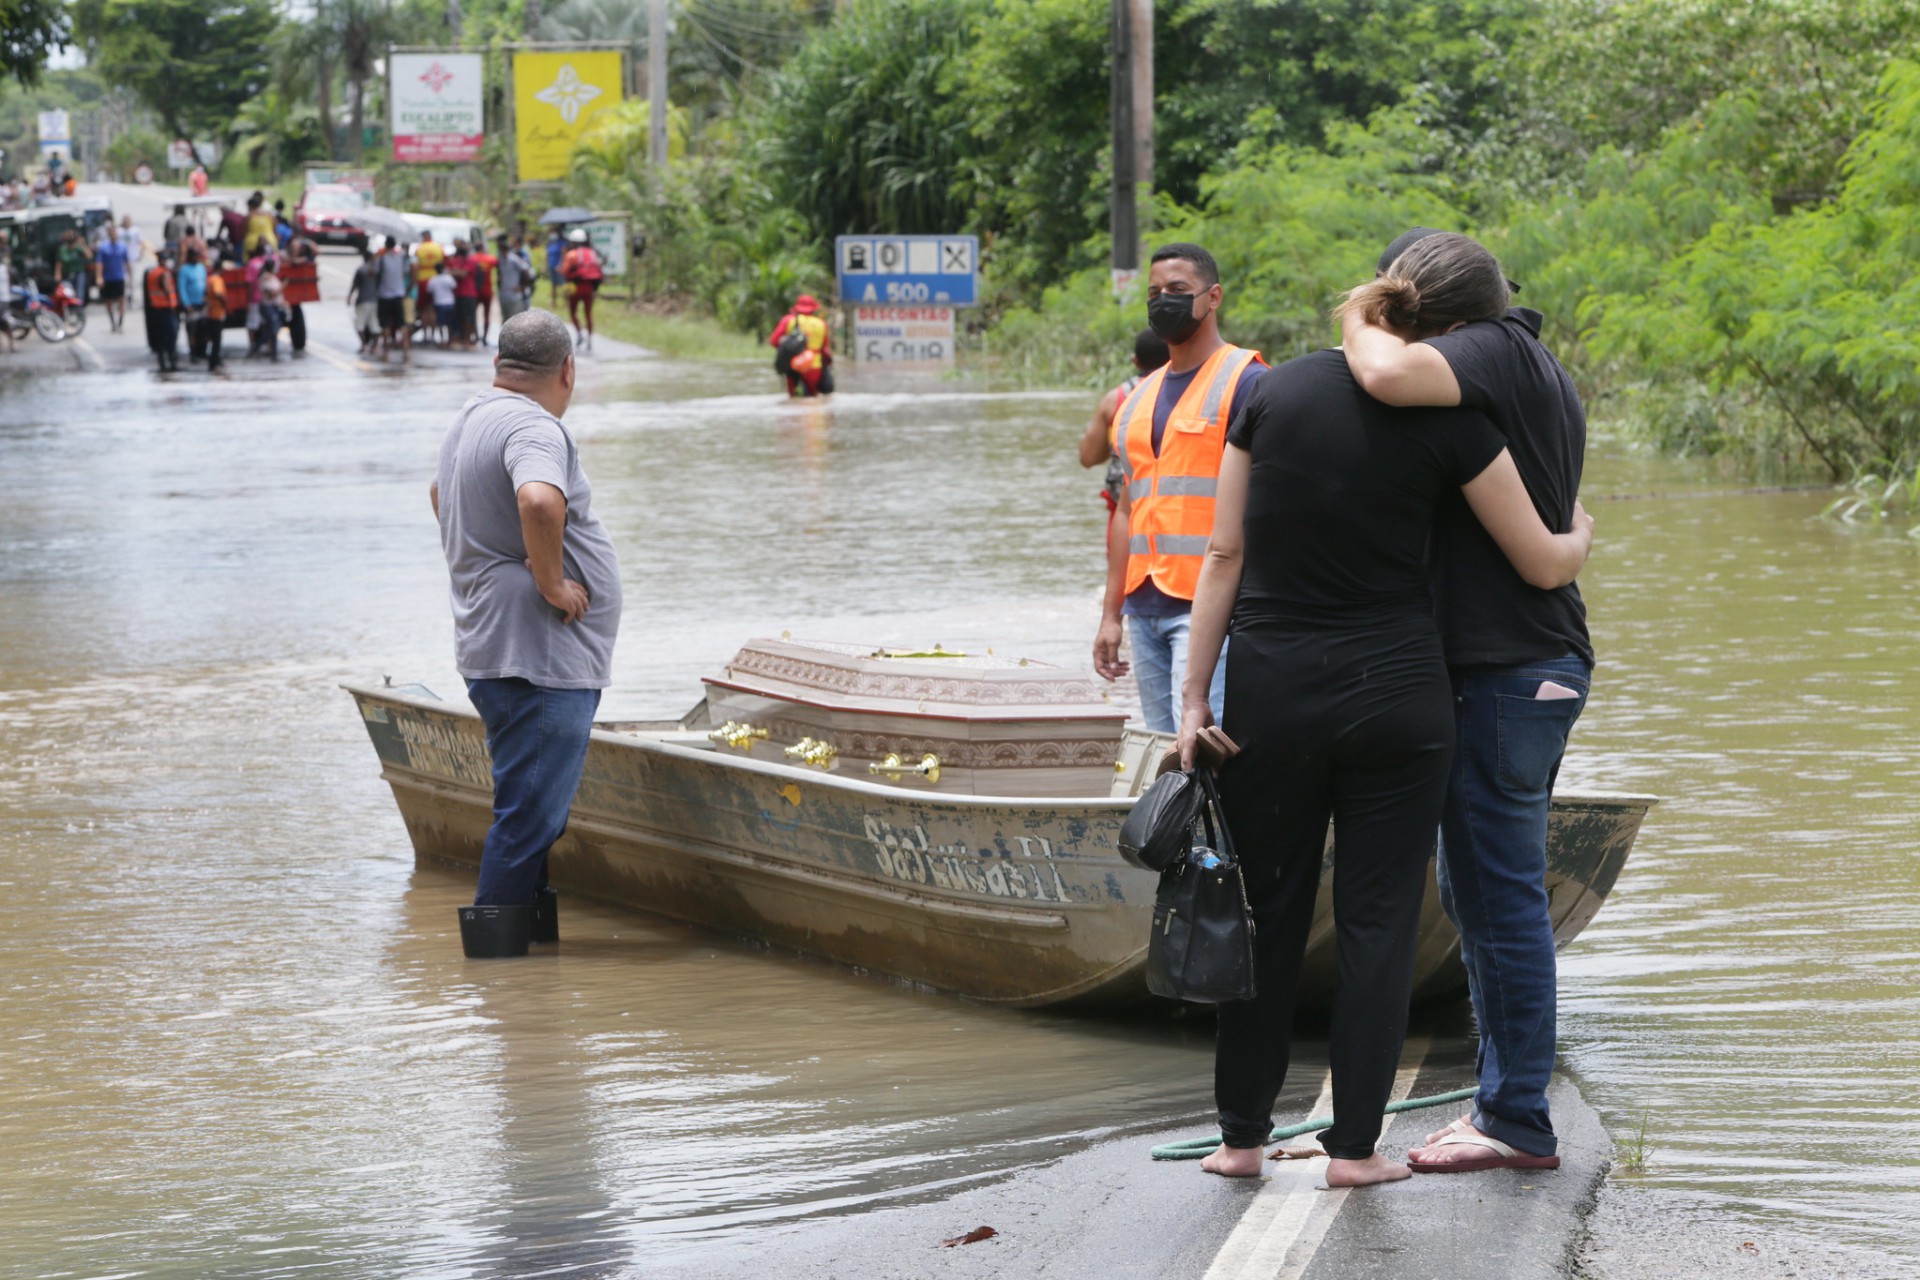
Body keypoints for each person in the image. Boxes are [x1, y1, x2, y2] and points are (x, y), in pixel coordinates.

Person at [1175, 233, 1594, 1187]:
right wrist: (1576, 539)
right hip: (1419, 689)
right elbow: (1537, 551)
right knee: (1395, 914)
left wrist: (1192, 695)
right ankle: (1357, 1151)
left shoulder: (1439, 364)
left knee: (1316, 907)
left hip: (1421, 676)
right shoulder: (1465, 420)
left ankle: (1255, 1137)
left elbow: (1225, 554)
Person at [1341, 228, 1596, 1174]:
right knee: (1482, 892)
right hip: (1519, 666)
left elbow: (1385, 378)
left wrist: (1361, 312)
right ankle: (1505, 1100)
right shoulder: (1523, 363)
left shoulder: (1491, 346)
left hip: (1509, 671)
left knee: (1499, 898)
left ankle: (1516, 1117)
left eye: (1412, 323)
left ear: (1440, 321)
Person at [430, 309, 624, 949]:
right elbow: (539, 501)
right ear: (567, 371)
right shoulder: (533, 426)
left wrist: (484, 561)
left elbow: (440, 495)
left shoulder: (472, 418)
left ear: (499, 365)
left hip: (499, 643)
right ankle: (497, 978)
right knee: (528, 816)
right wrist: (549, 583)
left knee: (534, 809)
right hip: (537, 651)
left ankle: (534, 965)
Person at [1093, 243, 1266, 733]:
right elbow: (1128, 509)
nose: (1162, 301)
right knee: (1163, 757)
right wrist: (1112, 615)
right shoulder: (1137, 396)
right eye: (1154, 293)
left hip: (1211, 608)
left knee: (1204, 753)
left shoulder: (1247, 381)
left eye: (1177, 291)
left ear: (1213, 298)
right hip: (1144, 607)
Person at [1079, 328, 1171, 517]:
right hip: (1169, 507)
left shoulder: (1116, 399)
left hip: (1124, 509)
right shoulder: (1190, 392)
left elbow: (1088, 458)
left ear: (1135, 361)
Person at [768, 294, 834, 397]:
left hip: (795, 366)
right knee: (813, 399)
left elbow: (774, 341)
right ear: (813, 308)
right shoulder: (821, 323)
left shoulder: (788, 320)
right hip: (815, 367)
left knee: (795, 398)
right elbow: (824, 347)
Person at [559, 229, 602, 350]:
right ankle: (589, 339)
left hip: (575, 288)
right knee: (588, 313)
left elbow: (565, 271)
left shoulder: (571, 254)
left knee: (573, 312)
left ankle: (579, 333)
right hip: (589, 287)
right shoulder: (592, 253)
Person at [142, 251, 181, 372]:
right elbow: (167, 290)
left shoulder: (152, 273)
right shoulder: (163, 273)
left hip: (155, 310)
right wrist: (173, 304)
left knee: (160, 338)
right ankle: (172, 363)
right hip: (166, 309)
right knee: (171, 337)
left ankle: (163, 364)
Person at [375, 236, 411, 362]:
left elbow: (375, 272)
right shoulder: (401, 258)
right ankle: (406, 349)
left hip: (384, 294)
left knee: (385, 324)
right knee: (402, 323)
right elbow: (405, 272)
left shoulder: (382, 258)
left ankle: (386, 349)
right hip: (398, 294)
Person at [94, 222, 131, 332]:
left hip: (119, 277)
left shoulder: (122, 246)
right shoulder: (104, 247)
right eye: (111, 233)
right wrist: (99, 277)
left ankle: (120, 321)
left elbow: (127, 262)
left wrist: (129, 277)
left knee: (121, 300)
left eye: (115, 232)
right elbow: (99, 264)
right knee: (108, 301)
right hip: (108, 278)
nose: (113, 234)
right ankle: (112, 322)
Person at [176, 245, 208, 362]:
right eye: (194, 256)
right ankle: (193, 354)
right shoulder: (184, 270)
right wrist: (187, 304)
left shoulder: (201, 268)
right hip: (191, 305)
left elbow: (205, 283)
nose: (196, 258)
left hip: (202, 303)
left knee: (203, 329)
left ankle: (202, 352)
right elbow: (182, 288)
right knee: (192, 331)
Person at [347, 248, 380, 354]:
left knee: (359, 324)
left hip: (363, 300)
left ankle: (363, 345)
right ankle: (374, 345)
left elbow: (355, 285)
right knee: (374, 324)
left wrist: (349, 297)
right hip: (374, 300)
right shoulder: (376, 270)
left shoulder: (361, 269)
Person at [447, 239, 479, 348]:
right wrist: (457, 272)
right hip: (457, 293)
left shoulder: (471, 260)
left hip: (469, 293)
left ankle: (467, 340)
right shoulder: (457, 259)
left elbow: (463, 274)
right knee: (458, 317)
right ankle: (459, 339)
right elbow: (450, 271)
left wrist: (456, 272)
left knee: (468, 318)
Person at [497, 234, 534, 321]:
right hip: (504, 295)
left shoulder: (514, 259)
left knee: (514, 320)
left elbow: (527, 272)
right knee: (505, 320)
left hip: (514, 296)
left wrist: (522, 287)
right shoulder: (501, 260)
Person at [255, 255, 285, 360]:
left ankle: (273, 352)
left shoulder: (272, 277)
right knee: (272, 329)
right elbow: (271, 294)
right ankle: (257, 346)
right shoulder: (265, 278)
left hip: (275, 306)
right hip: (268, 306)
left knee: (273, 329)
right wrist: (283, 286)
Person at [202, 255, 228, 373]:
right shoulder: (217, 280)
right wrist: (224, 302)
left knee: (213, 340)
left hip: (210, 312)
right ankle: (214, 363)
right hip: (216, 313)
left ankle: (214, 362)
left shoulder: (209, 279)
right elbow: (218, 293)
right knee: (216, 341)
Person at [471, 239, 498, 345]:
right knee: (487, 315)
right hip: (487, 290)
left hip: (475, 291)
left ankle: (476, 335)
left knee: (473, 314)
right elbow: (498, 266)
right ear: (483, 248)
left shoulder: (472, 259)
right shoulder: (490, 259)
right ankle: (485, 337)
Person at [55, 228, 92, 307]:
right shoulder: (63, 249)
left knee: (79, 292)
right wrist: (58, 274)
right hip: (67, 274)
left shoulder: (78, 248)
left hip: (79, 273)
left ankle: (79, 309)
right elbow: (59, 263)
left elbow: (89, 256)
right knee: (68, 292)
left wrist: (82, 244)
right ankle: (70, 308)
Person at [425, 262, 459, 346]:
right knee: (449, 323)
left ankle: (443, 340)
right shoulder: (448, 278)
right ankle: (449, 340)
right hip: (450, 302)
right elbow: (454, 286)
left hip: (439, 303)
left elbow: (429, 290)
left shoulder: (433, 279)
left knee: (441, 323)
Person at [545, 227, 566, 304]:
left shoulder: (561, 243)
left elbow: (563, 255)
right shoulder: (550, 243)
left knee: (563, 284)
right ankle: (553, 302)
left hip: (559, 267)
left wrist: (560, 265)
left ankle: (566, 302)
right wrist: (545, 266)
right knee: (553, 285)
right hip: (551, 266)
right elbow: (547, 255)